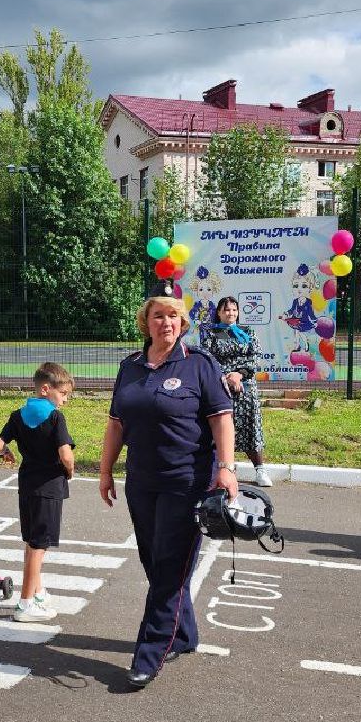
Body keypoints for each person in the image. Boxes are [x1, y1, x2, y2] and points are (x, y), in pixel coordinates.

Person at [100, 295, 237, 689]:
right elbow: (116, 424)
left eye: (173, 315)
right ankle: (184, 634)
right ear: (146, 322)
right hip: (141, 482)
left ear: (183, 323)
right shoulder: (130, 366)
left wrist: (226, 469)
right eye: (158, 315)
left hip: (186, 482)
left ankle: (150, 652)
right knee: (154, 562)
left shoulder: (199, 364)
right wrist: (105, 471)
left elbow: (222, 418)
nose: (166, 322)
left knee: (170, 568)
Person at [0, 362, 76, 623]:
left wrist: (8, 452)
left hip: (27, 485)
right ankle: (25, 604)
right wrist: (70, 469)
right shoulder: (55, 417)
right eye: (63, 394)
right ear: (46, 389)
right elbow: (65, 454)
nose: (65, 400)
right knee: (39, 546)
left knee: (31, 543)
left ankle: (37, 592)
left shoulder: (18, 414)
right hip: (49, 488)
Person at [199, 297, 271, 487]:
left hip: (246, 387)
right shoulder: (210, 333)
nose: (230, 313)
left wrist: (239, 374)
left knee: (250, 426)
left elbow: (255, 357)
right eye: (226, 310)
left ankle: (260, 469)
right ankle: (220, 469)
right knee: (219, 427)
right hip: (220, 387)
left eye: (234, 310)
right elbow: (207, 359)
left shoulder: (248, 332)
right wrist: (226, 377)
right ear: (219, 313)